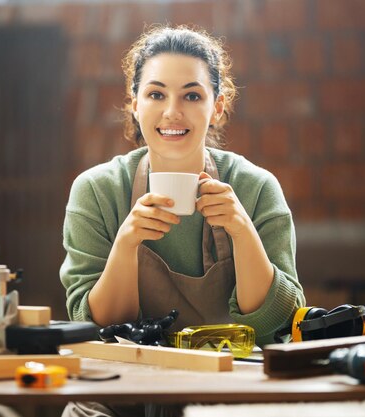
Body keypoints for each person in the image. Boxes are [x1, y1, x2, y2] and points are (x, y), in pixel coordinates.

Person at [60, 24, 305, 417]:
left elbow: (278, 327)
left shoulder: (256, 187)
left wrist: (241, 231)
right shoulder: (97, 191)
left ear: (218, 106)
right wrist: (127, 243)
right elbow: (97, 328)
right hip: (122, 389)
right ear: (134, 104)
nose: (172, 112)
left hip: (230, 388)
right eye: (156, 94)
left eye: (192, 95)